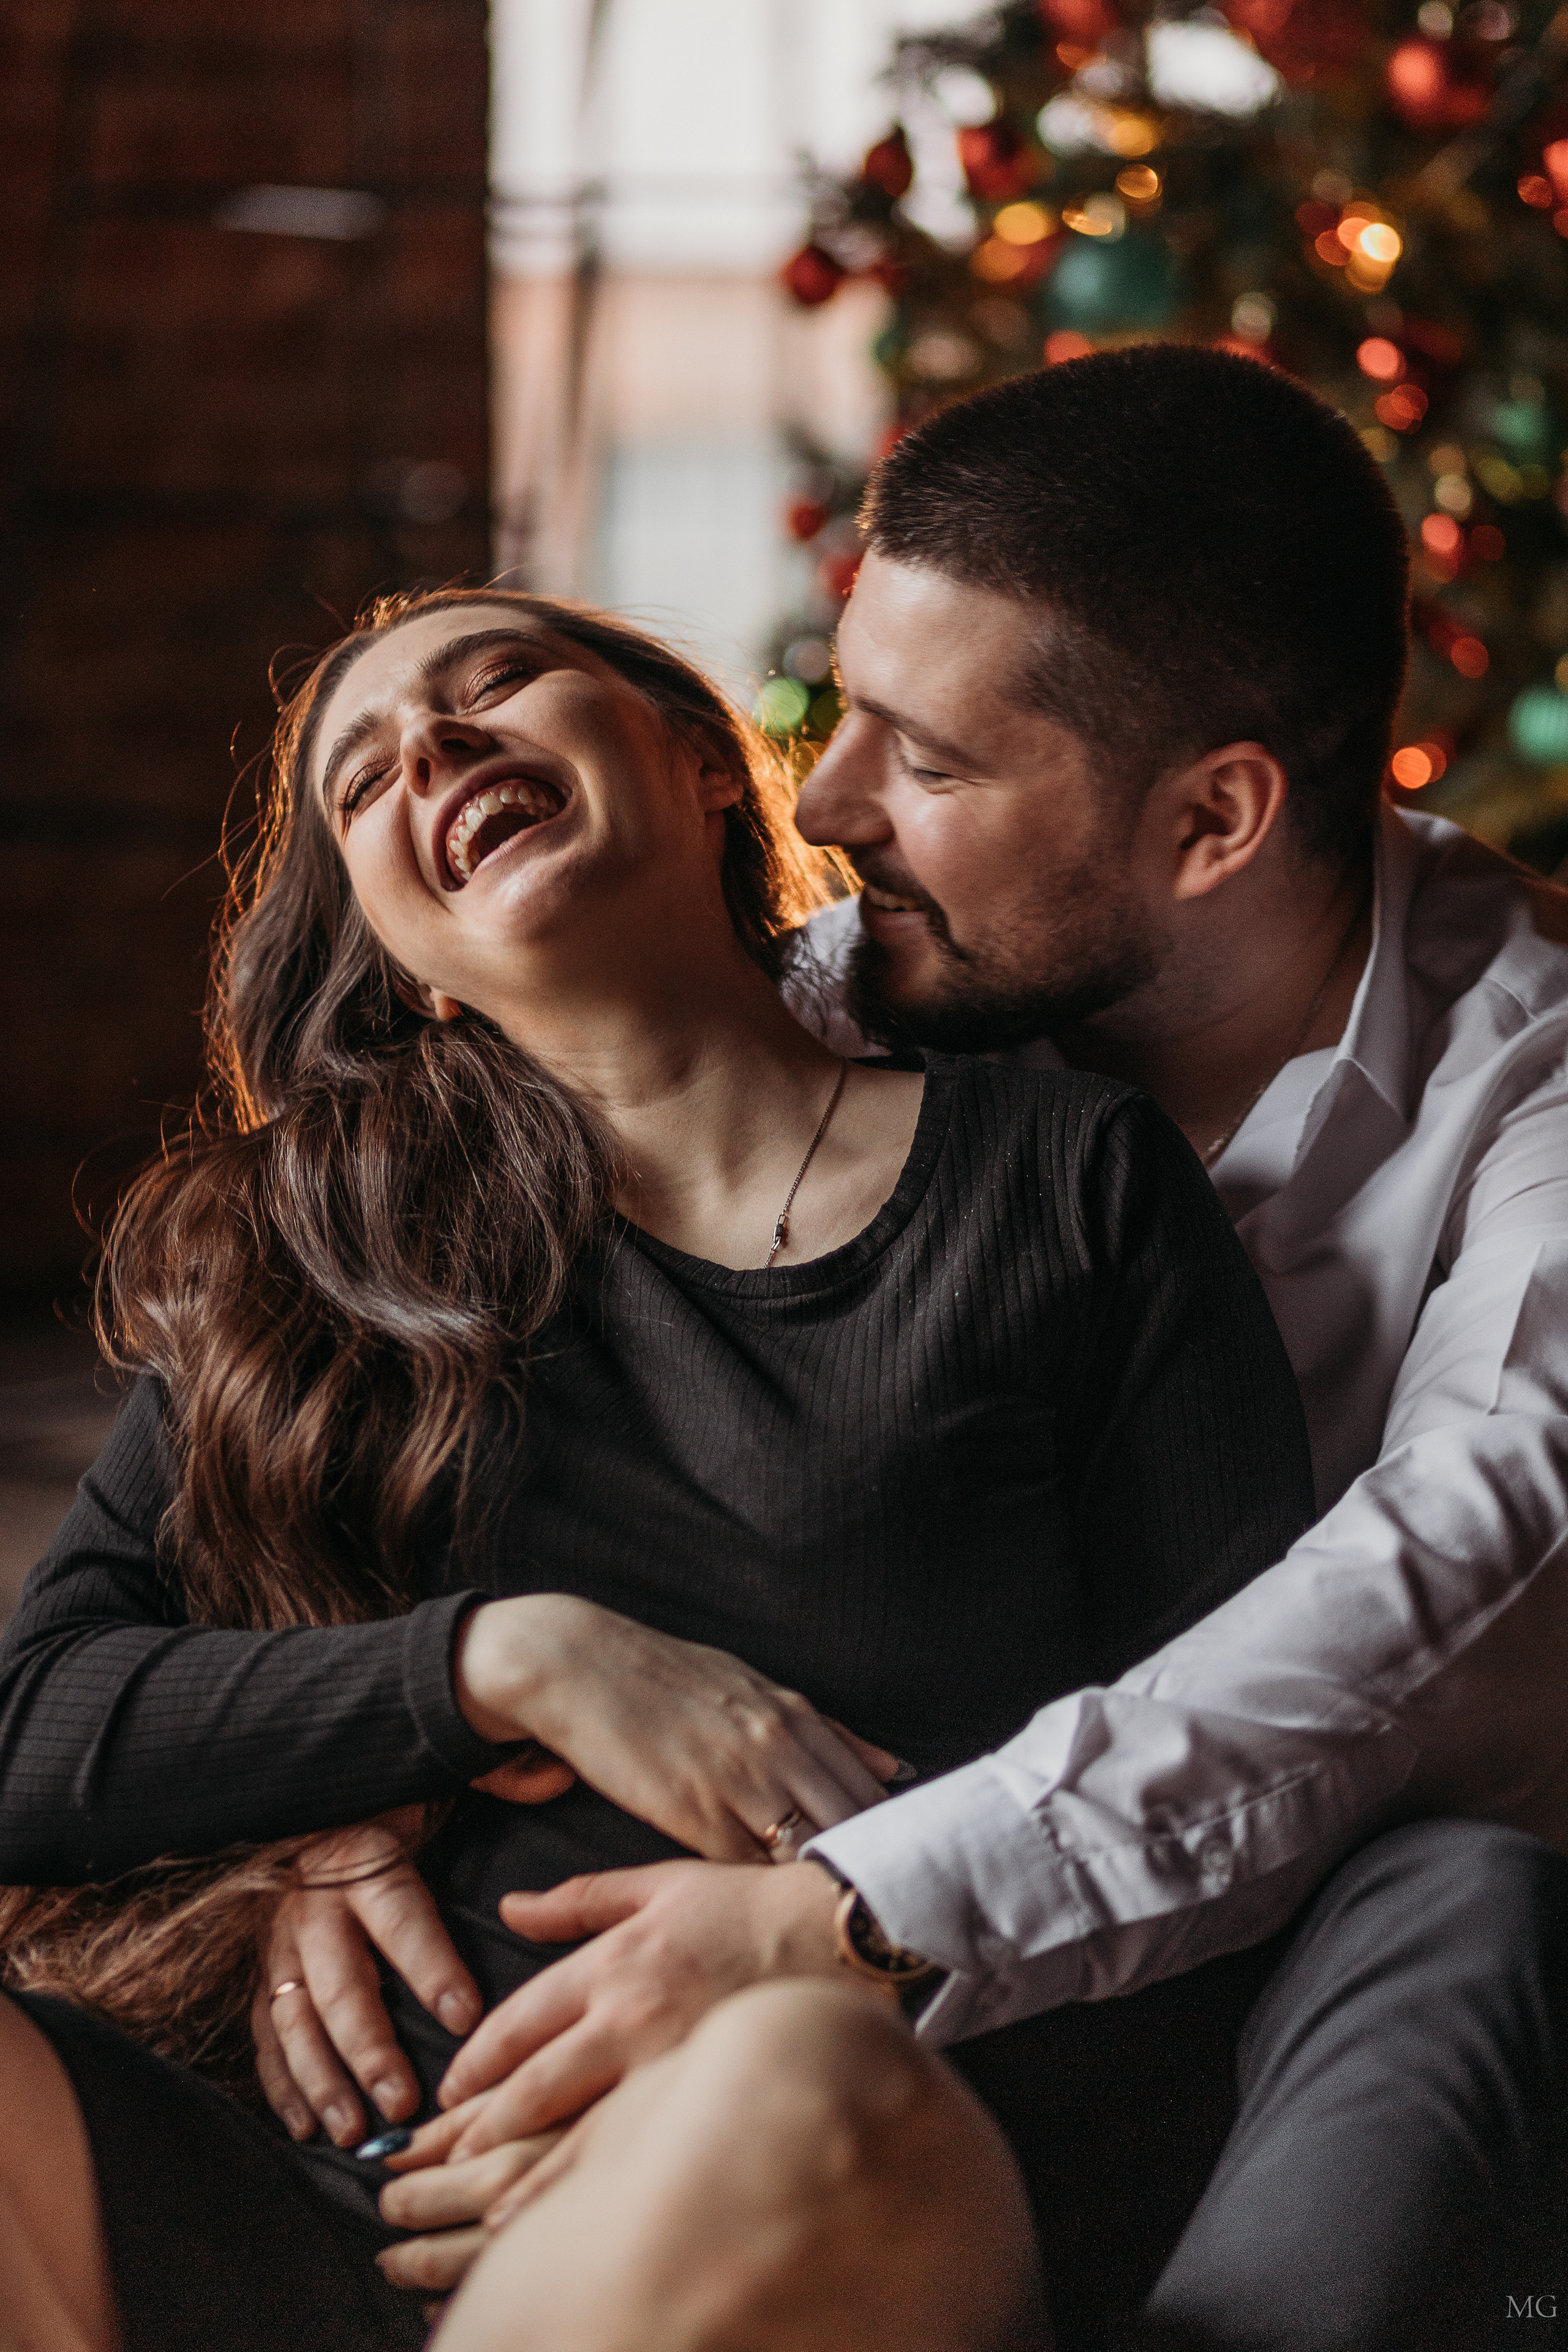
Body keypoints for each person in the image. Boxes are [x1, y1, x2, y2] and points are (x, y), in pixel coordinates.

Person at [255, 349, 1568, 2349]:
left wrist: (841, 1918)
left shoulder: (1538, 1100)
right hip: (886, 1916)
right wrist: (347, 1765)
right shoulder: (852, 1009)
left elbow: (1408, 1609)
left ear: (1214, 820)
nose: (831, 799)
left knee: (1471, 1903)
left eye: (930, 762)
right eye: (839, 703)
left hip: (1353, 1917)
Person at [0, 580, 1312, 2350]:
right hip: (269, 2195)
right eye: (365, 778)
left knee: (794, 2082)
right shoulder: (321, 1249)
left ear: (700, 760)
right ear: (397, 954)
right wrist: (502, 1662)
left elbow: (1236, 1797)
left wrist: (834, 1961)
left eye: (498, 684)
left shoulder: (1065, 1184)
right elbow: (39, 1726)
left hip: (815, 2188)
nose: (437, 749)